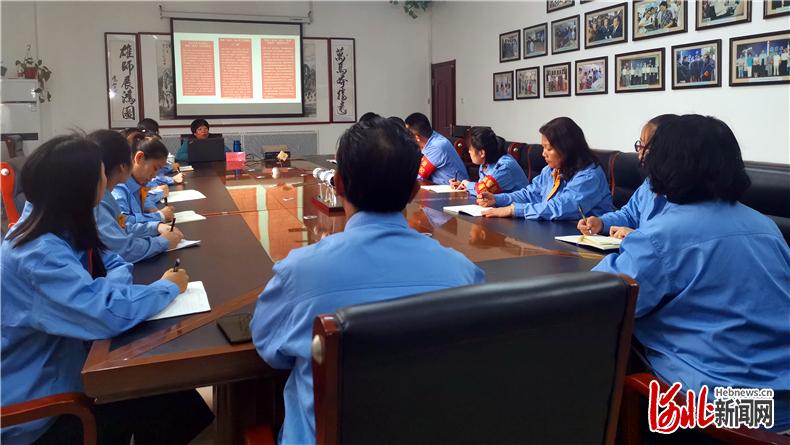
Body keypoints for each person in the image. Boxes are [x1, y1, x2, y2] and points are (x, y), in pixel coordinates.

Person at [250, 116, 484, 445]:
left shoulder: (299, 273)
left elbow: (268, 350)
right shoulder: (462, 273)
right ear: (414, 191)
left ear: (338, 184)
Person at [0, 134, 213, 444]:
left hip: (73, 367)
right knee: (160, 394)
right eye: (101, 175)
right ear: (80, 188)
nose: (107, 183)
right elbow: (106, 313)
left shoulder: (57, 226)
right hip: (44, 415)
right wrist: (165, 288)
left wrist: (106, 291)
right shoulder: (38, 254)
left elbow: (113, 262)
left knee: (169, 392)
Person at [592, 115, 790, 433]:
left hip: (726, 413)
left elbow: (601, 300)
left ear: (665, 165)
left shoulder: (663, 235)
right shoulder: (765, 226)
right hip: (783, 405)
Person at [476, 117, 614, 220]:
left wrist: (513, 210)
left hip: (588, 240)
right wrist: (497, 199)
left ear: (567, 148)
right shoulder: (551, 170)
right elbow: (531, 194)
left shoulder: (589, 176)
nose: (543, 154)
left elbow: (562, 207)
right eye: (543, 148)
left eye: (549, 148)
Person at [577, 114, 678, 239]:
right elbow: (629, 215)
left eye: (646, 147)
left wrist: (637, 236)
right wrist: (601, 223)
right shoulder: (649, 183)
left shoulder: (684, 193)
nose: (640, 153)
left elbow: (672, 238)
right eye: (640, 145)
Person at [89, 130, 183, 263]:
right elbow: (123, 250)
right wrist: (163, 241)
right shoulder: (99, 201)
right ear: (123, 165)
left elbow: (122, 228)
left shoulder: (106, 195)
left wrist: (155, 227)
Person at [112, 137, 175, 225]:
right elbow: (122, 222)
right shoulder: (118, 186)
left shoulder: (138, 183)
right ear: (139, 158)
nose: (154, 175)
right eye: (155, 168)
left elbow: (146, 200)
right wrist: (159, 216)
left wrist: (152, 209)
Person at [449, 127, 528, 196]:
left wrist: (467, 184)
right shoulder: (486, 163)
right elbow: (481, 187)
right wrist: (463, 185)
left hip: (518, 207)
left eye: (470, 149)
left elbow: (483, 191)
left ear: (482, 153)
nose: (469, 152)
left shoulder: (504, 166)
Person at [404, 112, 468, 185]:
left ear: (417, 137)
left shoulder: (436, 146)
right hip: (440, 187)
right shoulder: (431, 138)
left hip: (456, 189)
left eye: (407, 133)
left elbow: (418, 176)